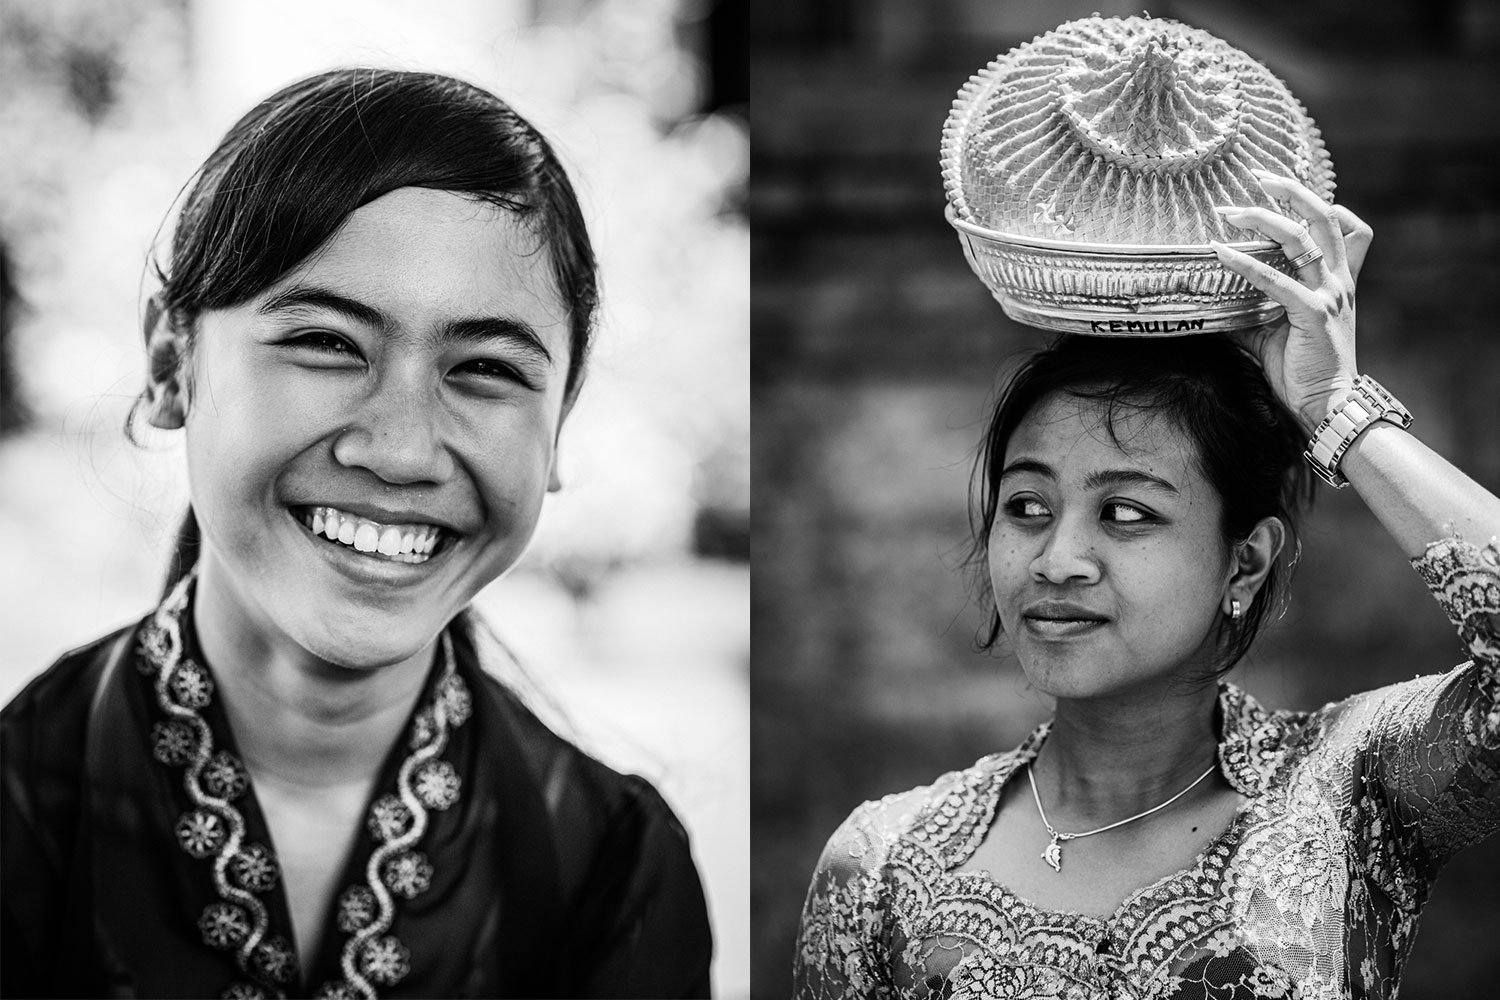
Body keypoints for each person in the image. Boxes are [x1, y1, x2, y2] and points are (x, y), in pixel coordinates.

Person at [1, 68, 712, 999]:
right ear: (173, 364)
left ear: (559, 431)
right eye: (328, 343)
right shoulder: (21, 813)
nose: (404, 448)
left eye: (487, 368)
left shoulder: (613, 868)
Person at [792, 162, 1500, 996]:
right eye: (1027, 506)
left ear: (1246, 561)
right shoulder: (882, 868)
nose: (1058, 559)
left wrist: (1333, 405)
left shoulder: (1348, 792)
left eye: (1126, 514)